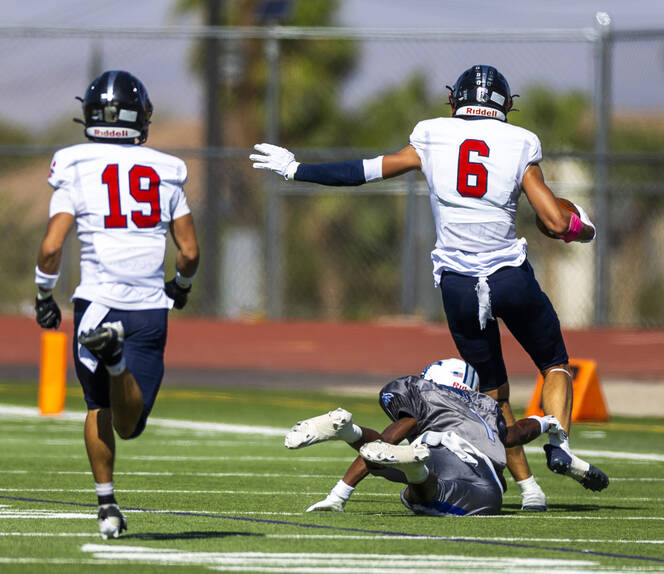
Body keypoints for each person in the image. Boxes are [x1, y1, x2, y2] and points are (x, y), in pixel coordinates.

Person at [249, 65, 607, 509]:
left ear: (454, 100)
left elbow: (367, 170)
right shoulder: (521, 141)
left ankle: (529, 489)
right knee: (553, 363)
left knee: (492, 395)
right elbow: (555, 220)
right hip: (507, 277)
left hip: (457, 284)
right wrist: (585, 228)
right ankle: (558, 444)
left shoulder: (431, 133)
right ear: (505, 106)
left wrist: (297, 169)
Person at [34, 70, 199, 539]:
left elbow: (51, 246)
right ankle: (118, 359)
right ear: (141, 117)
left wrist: (44, 295)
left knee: (96, 407)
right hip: (147, 307)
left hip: (96, 306)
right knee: (131, 424)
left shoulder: (73, 163)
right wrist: (181, 287)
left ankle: (107, 507)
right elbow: (189, 252)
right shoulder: (166, 168)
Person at [287, 358, 566, 516]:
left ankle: (351, 431)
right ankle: (415, 470)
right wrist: (547, 421)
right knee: (413, 483)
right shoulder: (485, 406)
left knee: (392, 471)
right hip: (477, 472)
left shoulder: (429, 394)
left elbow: (398, 431)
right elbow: (515, 434)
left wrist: (339, 494)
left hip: (435, 452)